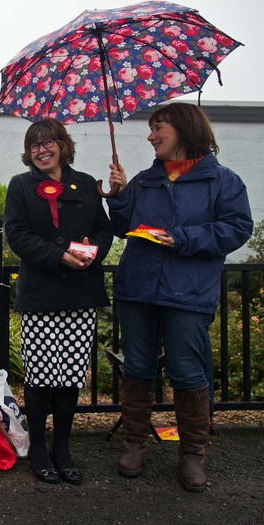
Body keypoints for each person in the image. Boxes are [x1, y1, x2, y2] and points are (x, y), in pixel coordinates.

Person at [106, 102, 253, 493]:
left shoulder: (223, 181)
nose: (151, 136)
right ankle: (134, 445)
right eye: (151, 129)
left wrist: (185, 238)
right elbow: (122, 228)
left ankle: (192, 454)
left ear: (185, 130)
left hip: (187, 293)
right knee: (137, 367)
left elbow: (237, 228)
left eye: (159, 128)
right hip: (137, 289)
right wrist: (118, 197)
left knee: (187, 372)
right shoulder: (144, 180)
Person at [4, 118, 113, 485]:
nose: (42, 150)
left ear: (62, 145)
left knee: (69, 379)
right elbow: (17, 234)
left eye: (48, 142)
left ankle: (62, 448)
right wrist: (58, 255)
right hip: (40, 296)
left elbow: (102, 228)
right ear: (28, 152)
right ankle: (37, 448)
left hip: (79, 294)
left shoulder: (84, 184)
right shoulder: (21, 186)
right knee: (39, 378)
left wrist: (89, 253)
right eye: (34, 144)